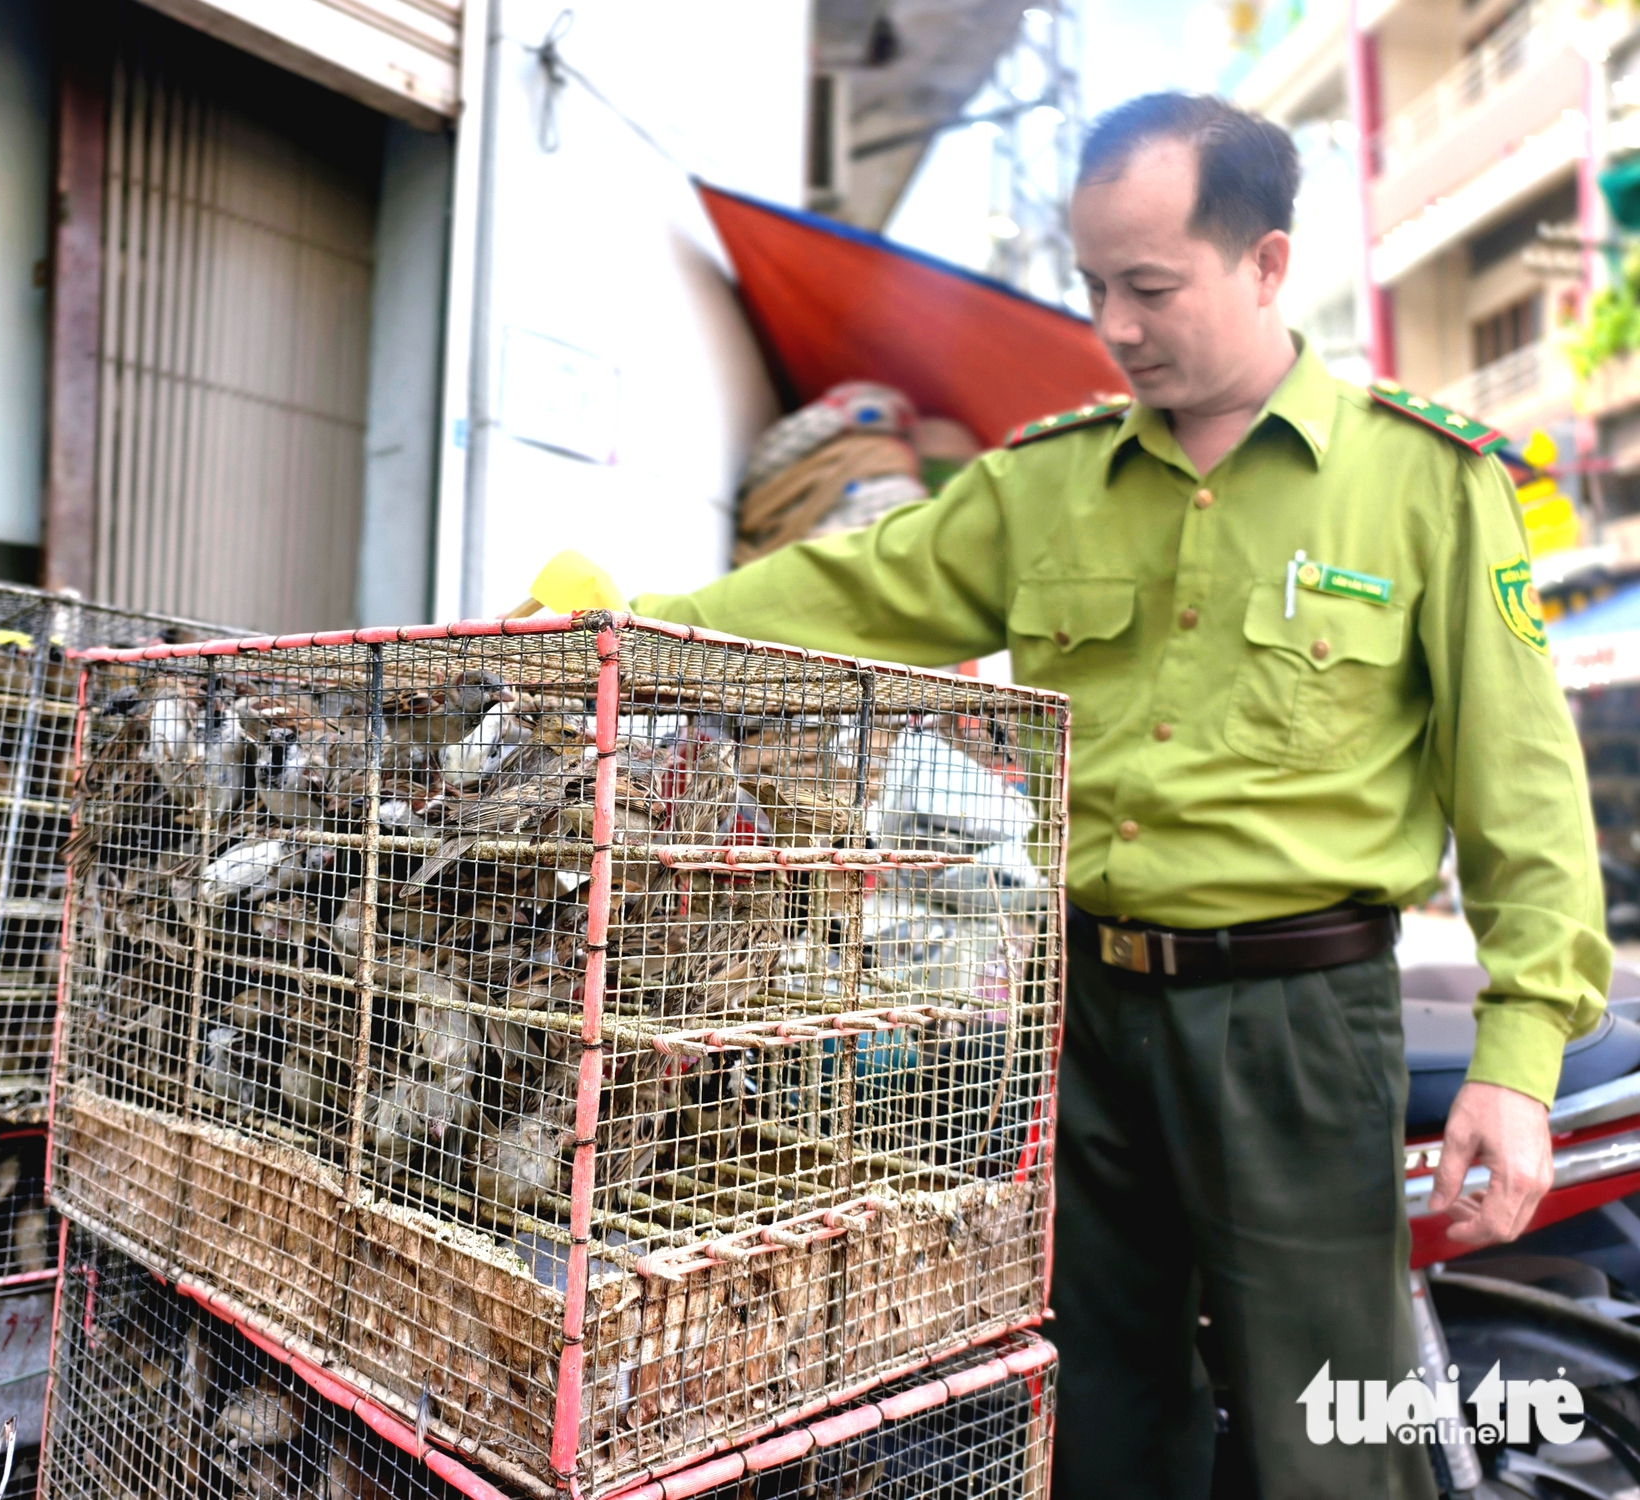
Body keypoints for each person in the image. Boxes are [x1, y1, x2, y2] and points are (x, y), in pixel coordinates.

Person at [593, 93, 1609, 1496]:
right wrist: (628, 631)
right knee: (1102, 1417)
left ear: (1264, 263)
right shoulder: (1051, 482)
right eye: (1094, 288)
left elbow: (1526, 799)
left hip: (1299, 1029)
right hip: (1083, 1014)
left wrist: (1519, 1060)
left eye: (1150, 287)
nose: (1116, 326)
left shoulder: (1422, 483)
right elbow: (846, 590)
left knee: (1330, 1436)